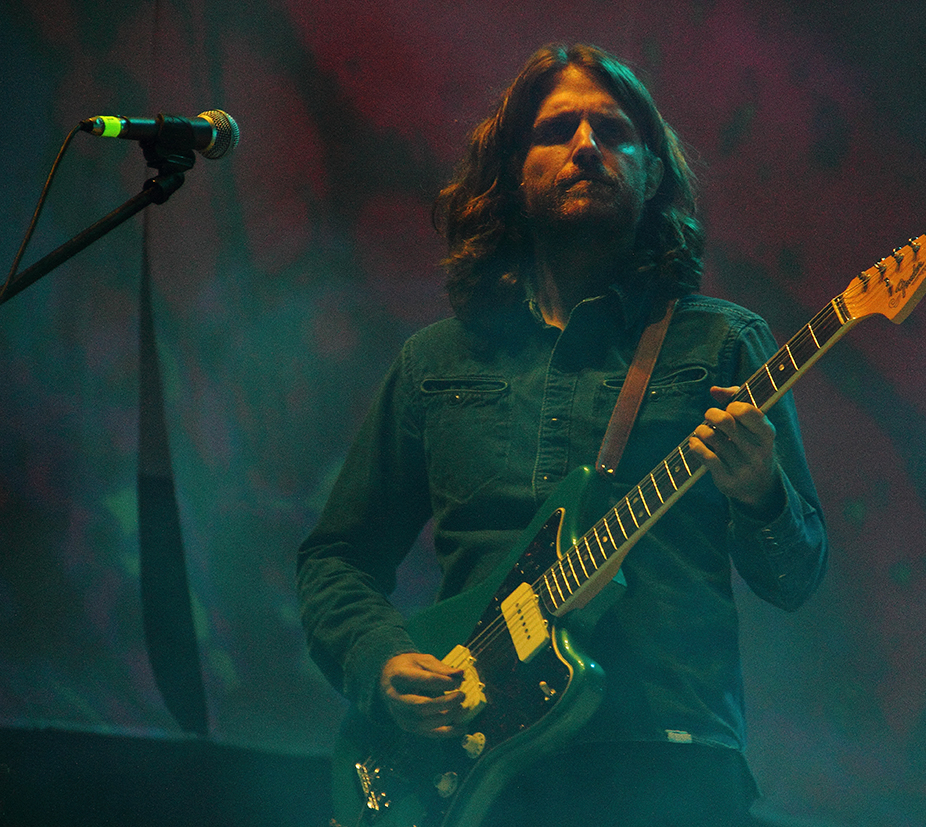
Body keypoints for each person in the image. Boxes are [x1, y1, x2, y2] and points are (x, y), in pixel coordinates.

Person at [298, 43, 828, 827]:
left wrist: (760, 493)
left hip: (669, 765)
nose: (586, 146)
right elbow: (336, 557)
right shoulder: (435, 362)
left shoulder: (723, 345)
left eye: (612, 131)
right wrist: (380, 661)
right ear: (515, 172)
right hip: (471, 775)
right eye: (557, 130)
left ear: (652, 172)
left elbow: (795, 576)